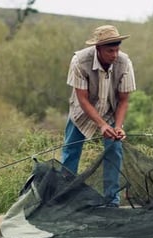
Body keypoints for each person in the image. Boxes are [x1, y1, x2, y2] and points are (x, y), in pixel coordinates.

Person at [61, 25, 136, 207]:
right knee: (71, 150)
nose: (115, 55)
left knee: (115, 150)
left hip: (111, 109)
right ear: (98, 49)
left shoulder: (124, 62)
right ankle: (65, 198)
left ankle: (111, 201)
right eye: (110, 51)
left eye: (117, 50)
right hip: (82, 110)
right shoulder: (79, 61)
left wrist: (117, 127)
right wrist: (101, 125)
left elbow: (124, 100)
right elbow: (83, 99)